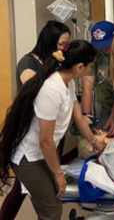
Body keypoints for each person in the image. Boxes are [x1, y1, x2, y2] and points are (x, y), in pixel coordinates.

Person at [0, 40, 106, 220]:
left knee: (51, 202)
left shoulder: (69, 82)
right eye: (91, 66)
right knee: (52, 210)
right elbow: (45, 140)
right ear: (80, 67)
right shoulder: (51, 89)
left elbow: (78, 118)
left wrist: (96, 143)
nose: (91, 70)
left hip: (43, 152)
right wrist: (58, 174)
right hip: (29, 157)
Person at [0, 20, 70, 220]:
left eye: (67, 45)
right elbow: (36, 89)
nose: (64, 48)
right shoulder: (28, 63)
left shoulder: (57, 64)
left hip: (44, 135)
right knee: (25, 191)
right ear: (49, 41)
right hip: (27, 137)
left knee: (30, 191)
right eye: (61, 44)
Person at [81, 21, 114, 135]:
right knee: (105, 138)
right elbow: (87, 87)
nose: (104, 48)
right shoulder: (94, 55)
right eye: (101, 45)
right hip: (104, 105)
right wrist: (87, 116)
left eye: (107, 44)